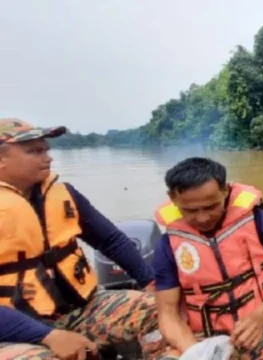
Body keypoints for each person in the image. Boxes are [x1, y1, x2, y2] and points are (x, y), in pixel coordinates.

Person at [0, 118, 170, 360]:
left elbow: (110, 240)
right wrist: (48, 336)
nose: (47, 157)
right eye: (34, 151)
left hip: (79, 308)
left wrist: (151, 282)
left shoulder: (63, 193)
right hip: (12, 329)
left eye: (46, 149)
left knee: (165, 310)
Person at [152, 157, 263, 359]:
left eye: (211, 206)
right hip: (204, 335)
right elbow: (168, 313)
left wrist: (260, 316)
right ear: (173, 198)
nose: (202, 218)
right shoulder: (168, 244)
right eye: (191, 210)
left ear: (225, 190)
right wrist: (198, 352)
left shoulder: (258, 219)